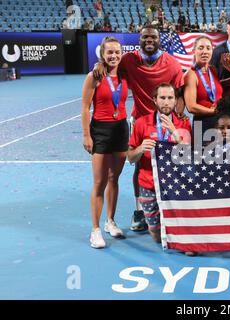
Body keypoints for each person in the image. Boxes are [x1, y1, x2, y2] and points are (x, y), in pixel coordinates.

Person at [93, 22, 185, 233]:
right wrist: (99, 65)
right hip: (141, 122)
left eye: (153, 37)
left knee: (171, 164)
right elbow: (110, 65)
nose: (149, 40)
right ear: (139, 39)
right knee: (139, 166)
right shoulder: (129, 60)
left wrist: (178, 115)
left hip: (165, 122)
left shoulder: (172, 63)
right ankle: (140, 211)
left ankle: (167, 208)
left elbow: (178, 92)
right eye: (145, 37)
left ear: (159, 39)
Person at [127, 83, 192, 248]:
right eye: (162, 98)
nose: (166, 102)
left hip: (175, 185)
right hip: (148, 184)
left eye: (170, 98)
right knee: (156, 234)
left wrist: (174, 132)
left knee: (177, 229)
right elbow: (130, 158)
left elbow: (188, 156)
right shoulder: (141, 123)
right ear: (154, 100)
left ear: (176, 101)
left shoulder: (183, 124)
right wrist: (141, 149)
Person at [81, 37, 129, 249]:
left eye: (117, 52)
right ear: (102, 54)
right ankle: (95, 230)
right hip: (100, 131)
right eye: (109, 52)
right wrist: (86, 135)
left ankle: (110, 221)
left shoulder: (125, 74)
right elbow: (84, 107)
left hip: (121, 129)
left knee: (114, 178)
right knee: (99, 182)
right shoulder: (95, 76)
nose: (113, 56)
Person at [184, 36, 223, 139]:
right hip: (202, 124)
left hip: (219, 122)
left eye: (208, 48)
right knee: (202, 155)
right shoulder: (191, 74)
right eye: (200, 48)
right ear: (194, 51)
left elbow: (213, 89)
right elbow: (191, 106)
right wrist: (214, 111)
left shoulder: (212, 70)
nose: (204, 51)